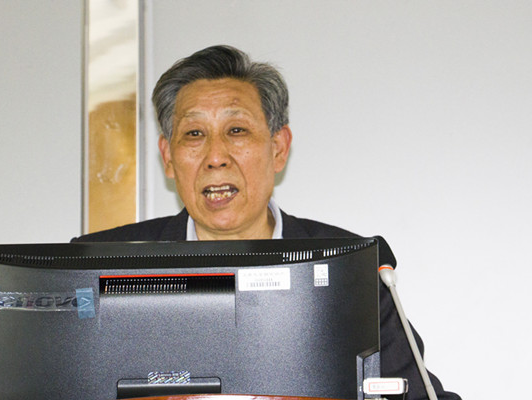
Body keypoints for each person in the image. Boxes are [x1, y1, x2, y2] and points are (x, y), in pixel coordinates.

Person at [73, 45, 461, 400]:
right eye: (194, 134)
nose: (216, 157)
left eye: (236, 131)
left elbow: (421, 395)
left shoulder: (349, 266)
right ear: (168, 157)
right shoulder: (95, 264)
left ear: (278, 148)